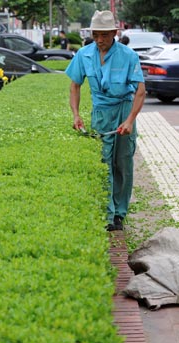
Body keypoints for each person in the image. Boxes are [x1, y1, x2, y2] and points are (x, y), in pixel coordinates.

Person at [66, 10, 146, 231]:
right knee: (104, 163)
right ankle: (108, 214)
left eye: (104, 35)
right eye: (96, 35)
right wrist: (76, 114)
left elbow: (140, 91)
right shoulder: (83, 54)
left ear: (114, 33)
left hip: (123, 110)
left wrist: (130, 120)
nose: (100, 40)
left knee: (123, 162)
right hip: (100, 113)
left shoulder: (128, 56)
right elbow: (75, 85)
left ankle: (119, 212)